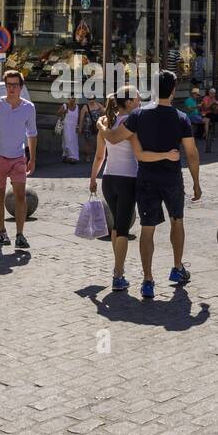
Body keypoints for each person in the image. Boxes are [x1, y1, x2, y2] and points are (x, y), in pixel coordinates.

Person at [98, 70, 202, 300]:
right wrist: (196, 183)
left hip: (146, 178)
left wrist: (101, 125)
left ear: (152, 90)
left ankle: (147, 281)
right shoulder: (181, 118)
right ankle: (177, 268)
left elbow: (113, 138)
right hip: (172, 178)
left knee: (147, 228)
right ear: (173, 91)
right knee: (177, 220)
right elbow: (192, 154)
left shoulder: (139, 116)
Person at [89, 85, 147, 291]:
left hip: (109, 180)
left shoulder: (105, 121)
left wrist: (93, 177)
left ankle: (118, 268)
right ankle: (118, 274)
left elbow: (99, 156)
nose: (140, 102)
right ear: (129, 102)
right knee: (122, 228)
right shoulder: (132, 123)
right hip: (127, 179)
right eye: (138, 98)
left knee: (117, 226)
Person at [0, 71, 38, 249]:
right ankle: (2, 231)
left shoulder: (28, 107)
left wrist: (32, 158)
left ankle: (20, 234)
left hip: (18, 157)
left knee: (20, 196)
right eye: (8, 85)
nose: (11, 88)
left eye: (15, 85)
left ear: (21, 87)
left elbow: (32, 134)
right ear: (5, 86)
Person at [58, 97, 82, 163]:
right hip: (66, 127)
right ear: (68, 99)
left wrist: (79, 126)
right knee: (67, 141)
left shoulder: (77, 107)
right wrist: (63, 111)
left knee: (74, 142)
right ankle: (69, 156)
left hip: (74, 127)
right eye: (71, 98)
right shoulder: (65, 106)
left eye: (74, 98)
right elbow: (58, 113)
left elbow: (79, 117)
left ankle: (72, 157)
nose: (73, 100)